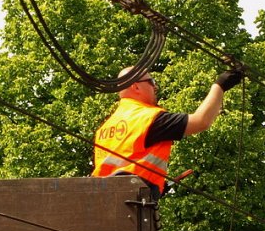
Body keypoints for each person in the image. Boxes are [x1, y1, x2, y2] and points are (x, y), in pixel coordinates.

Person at [92, 66, 243, 200]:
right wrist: (220, 85)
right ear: (135, 87)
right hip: (132, 204)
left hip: (102, 202)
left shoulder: (105, 128)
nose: (155, 86)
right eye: (151, 81)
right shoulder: (148, 118)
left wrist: (153, 183)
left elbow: (123, 164)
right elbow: (201, 121)